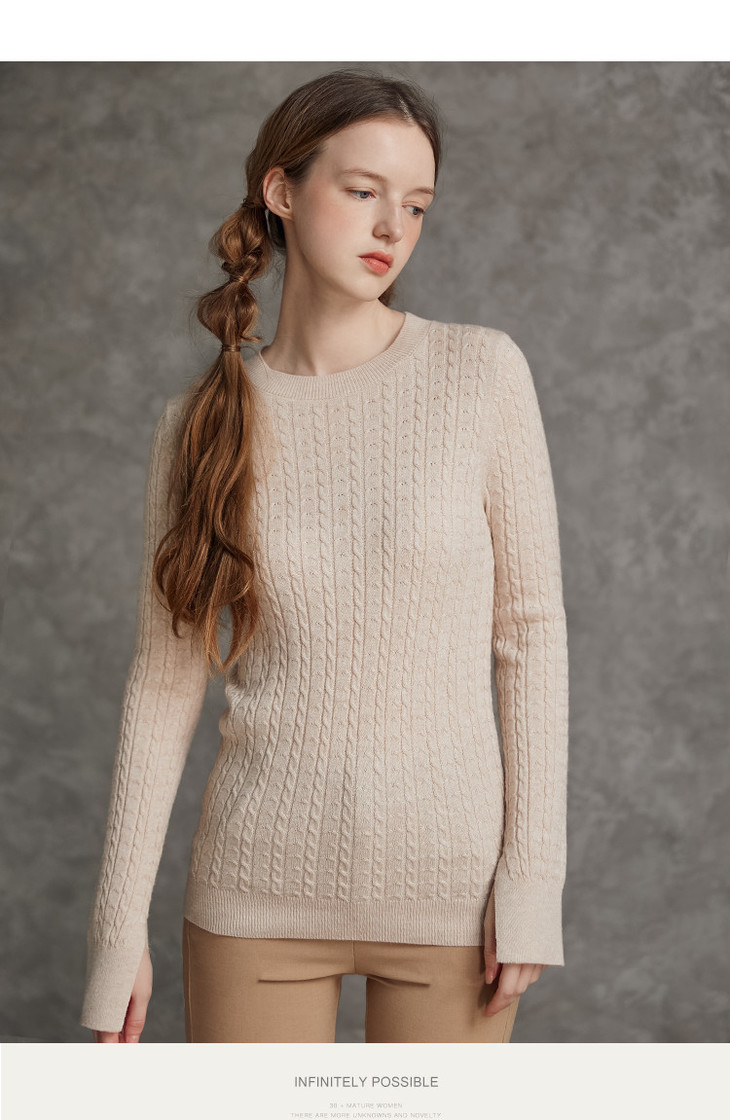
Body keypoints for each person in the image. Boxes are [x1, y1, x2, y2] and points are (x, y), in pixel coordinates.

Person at [80, 66, 569, 1044]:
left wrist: (531, 881)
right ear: (282, 190)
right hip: (250, 898)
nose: (393, 226)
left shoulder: (480, 374)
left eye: (416, 205)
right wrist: (115, 929)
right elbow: (164, 678)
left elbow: (531, 635)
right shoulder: (200, 423)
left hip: (454, 902)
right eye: (362, 190)